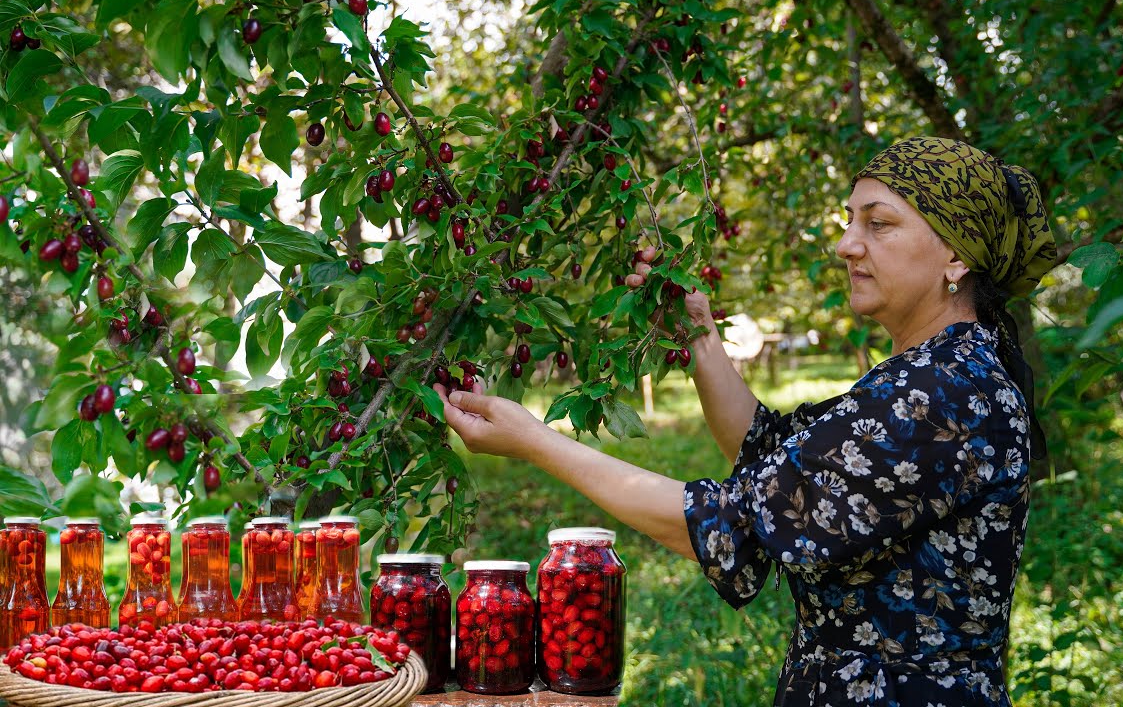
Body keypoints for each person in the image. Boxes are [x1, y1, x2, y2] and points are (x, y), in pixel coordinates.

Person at [433, 136, 1057, 706]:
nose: (847, 245)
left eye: (880, 224)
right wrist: (700, 338)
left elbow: (733, 521)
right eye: (849, 222)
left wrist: (536, 441)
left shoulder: (941, 392)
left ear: (955, 256)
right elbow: (774, 460)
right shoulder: (930, 375)